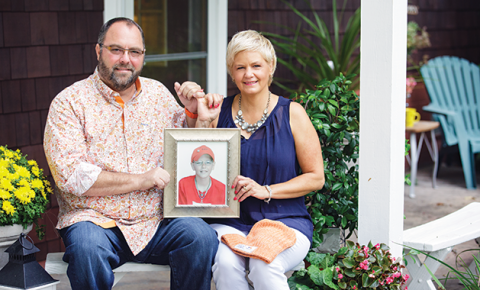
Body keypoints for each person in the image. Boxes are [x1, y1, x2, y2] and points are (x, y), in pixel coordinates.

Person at [43, 17, 223, 290]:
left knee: (200, 236)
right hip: (96, 223)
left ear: (142, 56)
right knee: (87, 249)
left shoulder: (158, 95)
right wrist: (141, 179)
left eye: (134, 52)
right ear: (98, 51)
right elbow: (71, 176)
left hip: (156, 222)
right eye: (116, 49)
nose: (125, 59)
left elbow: (188, 157)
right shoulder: (69, 103)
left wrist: (193, 115)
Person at [179, 30, 325, 290]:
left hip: (283, 220)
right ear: (231, 72)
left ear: (270, 68)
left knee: (264, 263)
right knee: (225, 264)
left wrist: (265, 190)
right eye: (240, 67)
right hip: (229, 221)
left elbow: (316, 177)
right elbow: (193, 164)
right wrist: (199, 116)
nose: (249, 74)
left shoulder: (292, 114)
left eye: (256, 65)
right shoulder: (217, 111)